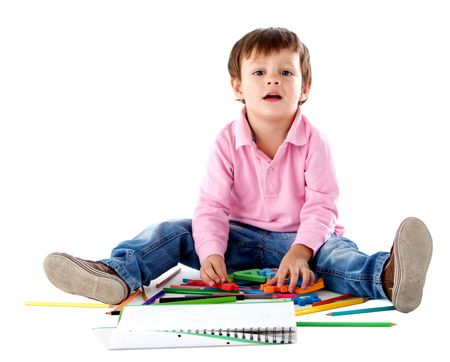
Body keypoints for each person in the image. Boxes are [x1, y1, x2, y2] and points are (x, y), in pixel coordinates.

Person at [43, 27, 432, 313]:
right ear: (238, 87)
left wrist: (300, 252)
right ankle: (115, 274)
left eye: (285, 72)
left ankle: (388, 276)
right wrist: (211, 252)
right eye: (259, 73)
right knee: (171, 231)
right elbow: (211, 205)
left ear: (306, 86)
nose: (273, 79)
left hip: (301, 242)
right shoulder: (227, 140)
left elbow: (323, 205)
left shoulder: (315, 141)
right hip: (238, 240)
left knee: (337, 256)